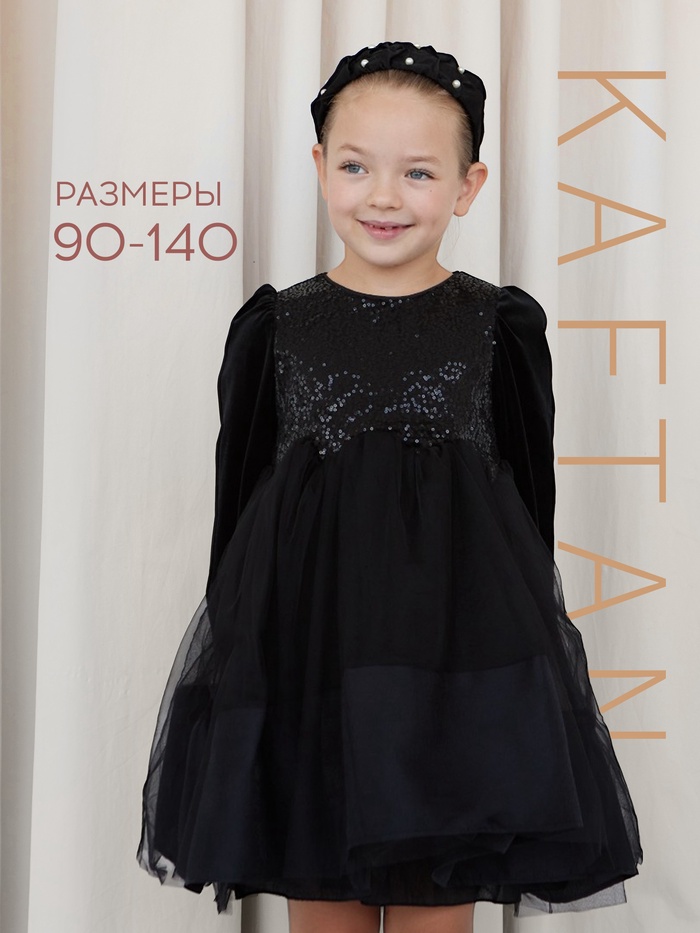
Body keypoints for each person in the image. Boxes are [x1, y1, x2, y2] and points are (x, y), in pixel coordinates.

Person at [137, 41, 642, 933]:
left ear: (467, 186)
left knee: (435, 912)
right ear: (320, 167)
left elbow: (529, 512)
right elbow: (238, 509)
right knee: (318, 903)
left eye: (417, 172)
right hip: (308, 674)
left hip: (453, 676)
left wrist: (522, 679)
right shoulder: (276, 326)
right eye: (356, 166)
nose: (382, 196)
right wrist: (237, 675)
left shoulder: (496, 325)